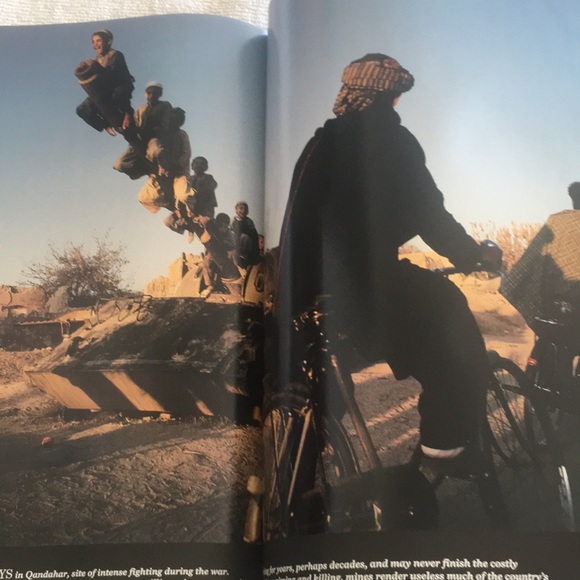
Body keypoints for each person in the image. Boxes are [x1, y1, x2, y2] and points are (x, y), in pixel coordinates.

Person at [274, 53, 501, 459]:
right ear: (388, 97)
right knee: (453, 320)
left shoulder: (318, 144)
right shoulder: (395, 142)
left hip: (310, 294)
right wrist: (473, 255)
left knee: (321, 381)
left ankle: (302, 461)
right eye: (396, 96)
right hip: (369, 289)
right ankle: (442, 449)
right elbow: (430, 215)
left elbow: (296, 224)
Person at [501, 182, 580, 331]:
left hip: (553, 305)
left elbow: (528, 260)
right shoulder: (557, 221)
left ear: (573, 199)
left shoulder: (556, 221)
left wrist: (509, 286)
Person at [75, 29, 135, 137]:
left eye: (98, 41)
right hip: (103, 93)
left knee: (116, 98)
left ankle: (127, 113)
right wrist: (84, 67)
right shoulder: (96, 60)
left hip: (118, 90)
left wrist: (127, 111)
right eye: (93, 42)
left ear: (108, 41)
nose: (95, 45)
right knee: (82, 110)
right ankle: (106, 125)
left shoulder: (116, 55)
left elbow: (113, 77)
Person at [114, 81, 174, 179]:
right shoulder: (140, 109)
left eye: (155, 93)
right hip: (139, 140)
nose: (152, 95)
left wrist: (147, 133)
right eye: (149, 93)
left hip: (153, 138)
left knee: (158, 150)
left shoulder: (165, 106)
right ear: (145, 94)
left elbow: (164, 125)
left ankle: (163, 168)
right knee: (119, 164)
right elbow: (135, 123)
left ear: (160, 94)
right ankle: (142, 171)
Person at [138, 107, 191, 215]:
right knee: (143, 197)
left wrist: (176, 167)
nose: (172, 122)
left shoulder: (182, 134)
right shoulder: (160, 132)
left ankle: (189, 213)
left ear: (179, 123)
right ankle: (171, 206)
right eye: (171, 118)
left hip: (178, 173)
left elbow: (186, 153)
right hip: (159, 171)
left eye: (176, 120)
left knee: (183, 196)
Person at [164, 156, 218, 243]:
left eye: (202, 164)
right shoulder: (188, 179)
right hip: (190, 206)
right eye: (196, 163)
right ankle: (189, 228)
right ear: (192, 166)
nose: (199, 165)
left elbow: (207, 193)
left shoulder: (208, 178)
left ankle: (202, 229)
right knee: (168, 221)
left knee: (206, 224)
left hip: (204, 206)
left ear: (206, 167)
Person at [200, 213, 242, 297]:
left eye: (224, 227)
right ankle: (210, 285)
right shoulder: (214, 234)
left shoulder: (230, 234)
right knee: (207, 260)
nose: (222, 229)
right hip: (215, 259)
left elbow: (233, 246)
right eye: (220, 226)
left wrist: (223, 242)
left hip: (227, 259)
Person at [232, 201, 260, 268]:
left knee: (244, 237)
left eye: (245, 209)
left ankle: (244, 257)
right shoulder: (232, 221)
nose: (243, 211)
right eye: (241, 208)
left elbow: (254, 236)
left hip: (246, 246)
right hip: (235, 245)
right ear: (236, 209)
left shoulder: (249, 222)